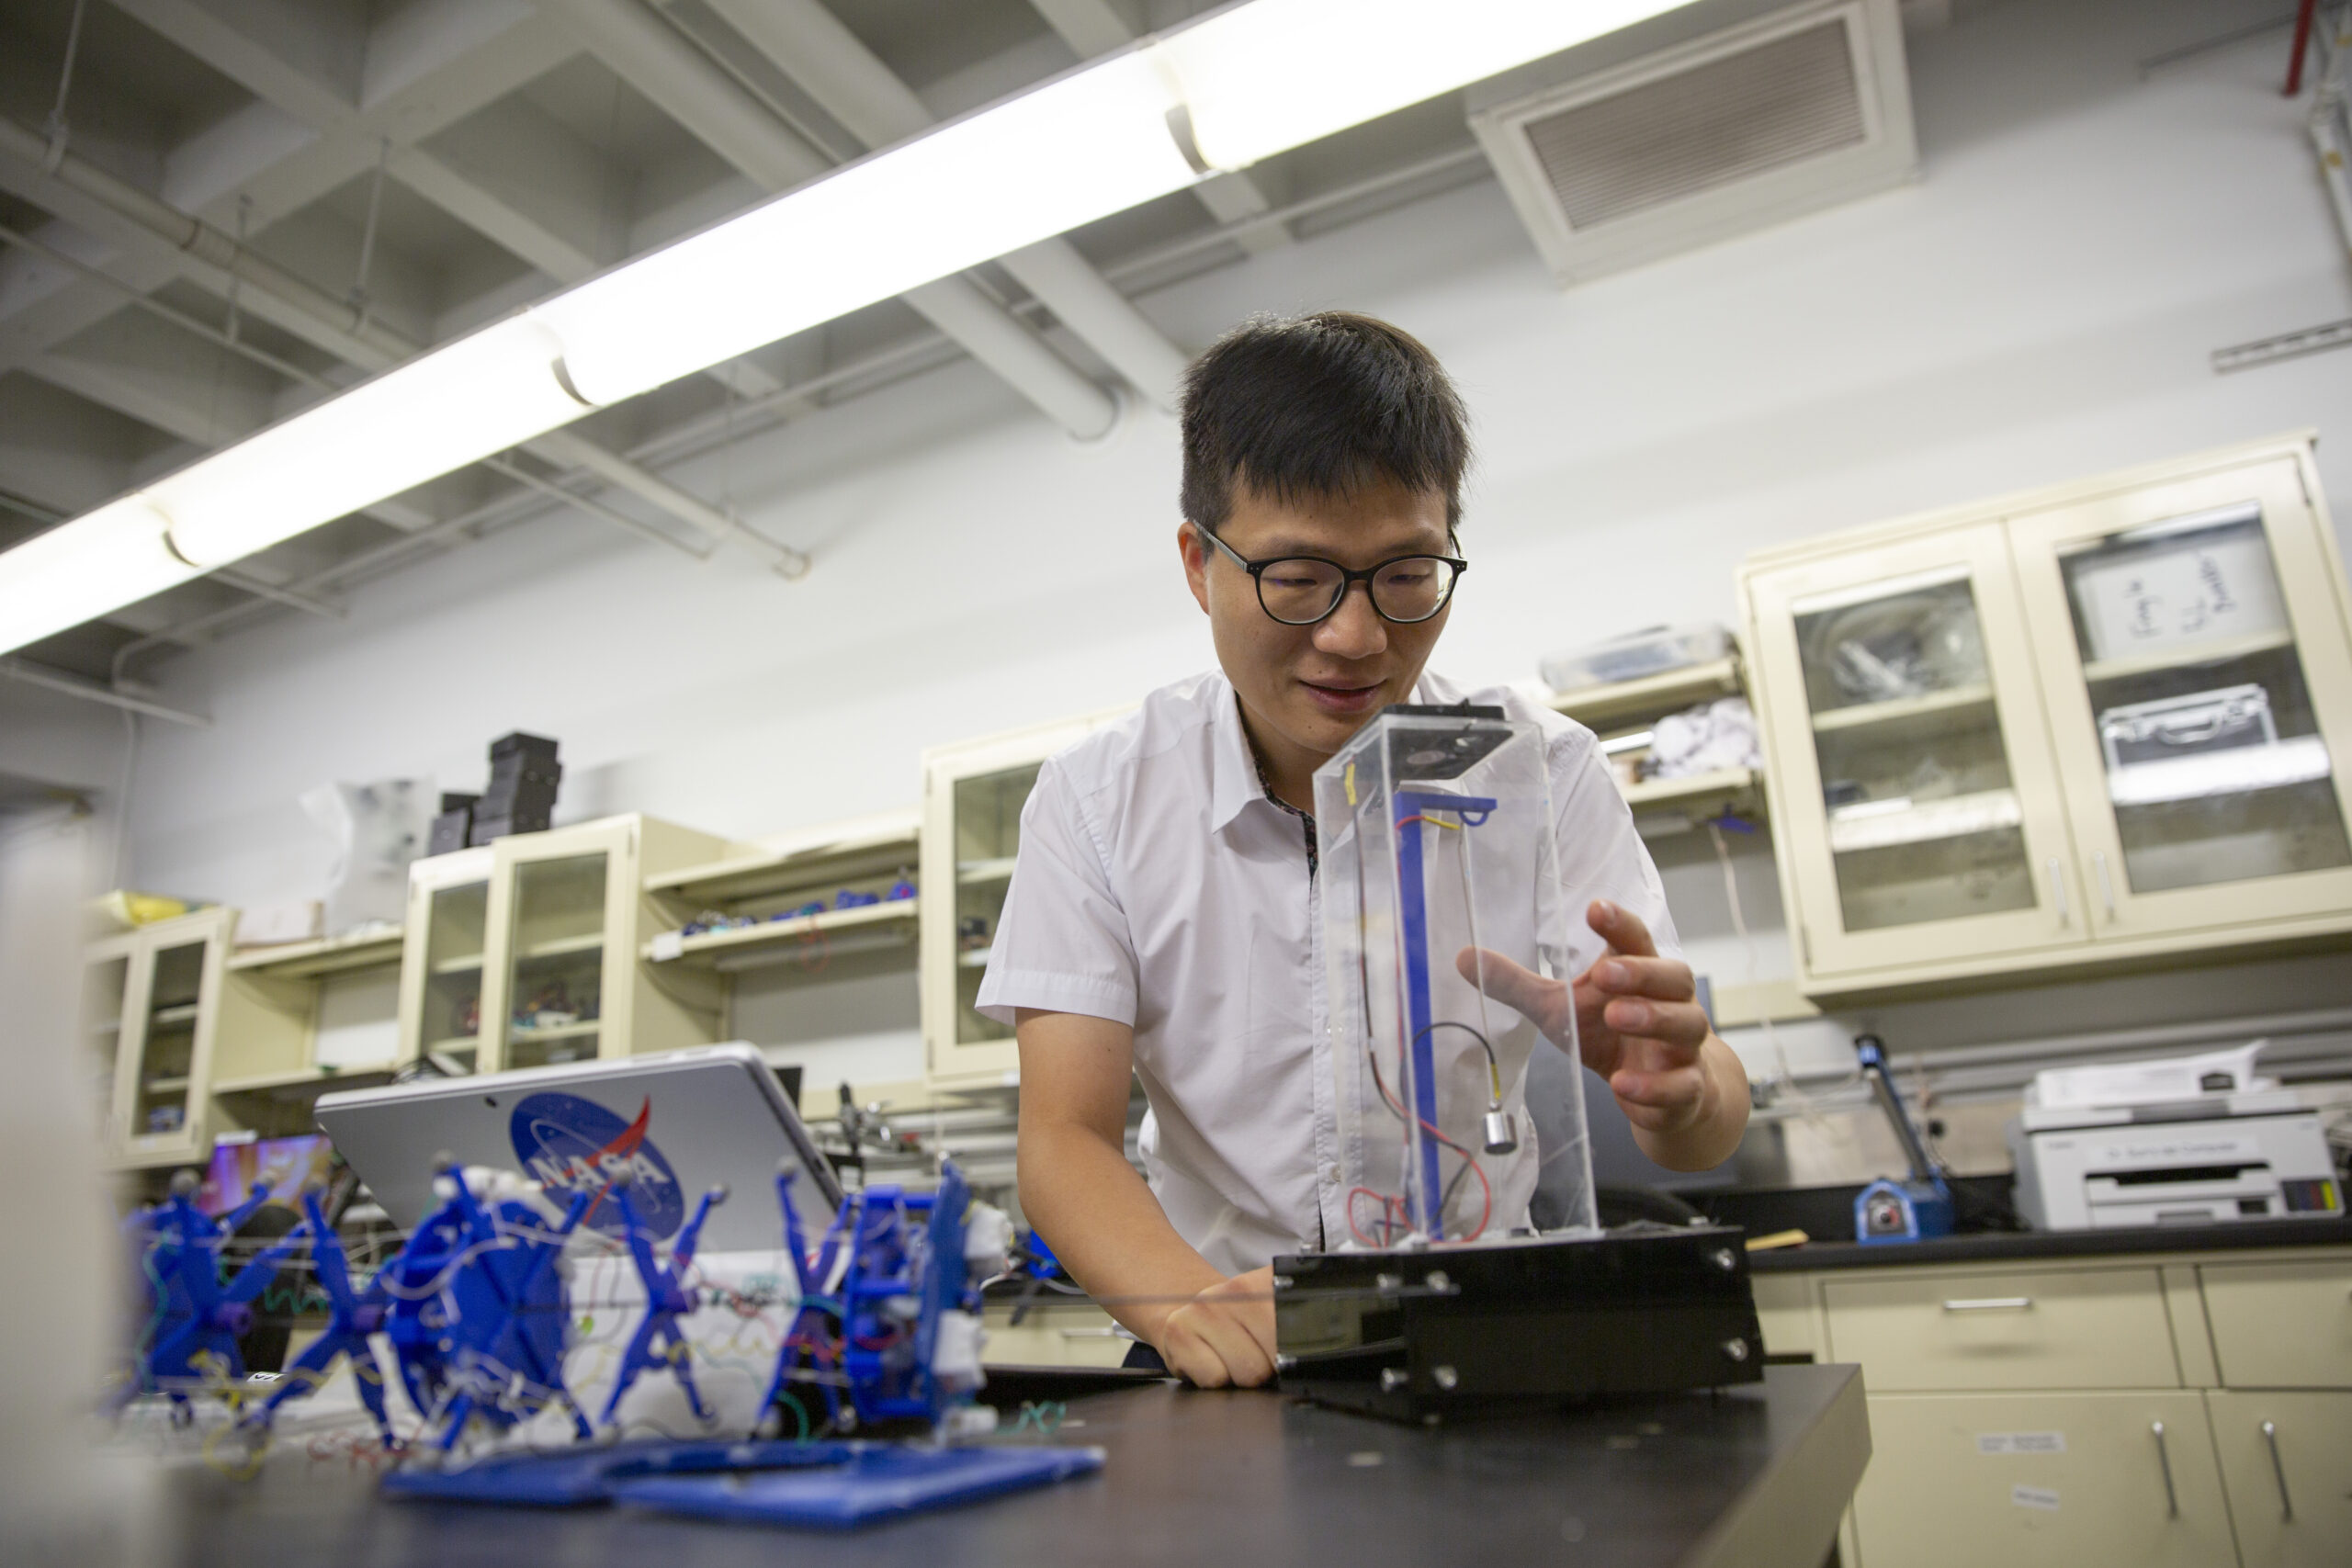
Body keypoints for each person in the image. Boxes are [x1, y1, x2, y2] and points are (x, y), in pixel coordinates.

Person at [976, 311, 1750, 1389]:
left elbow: (1702, 1125)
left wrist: (1679, 1088)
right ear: (1201, 564)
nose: (1356, 638)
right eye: (1297, 576)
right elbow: (1066, 1137)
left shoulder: (1543, 771)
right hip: (1222, 1340)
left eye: (1406, 573)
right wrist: (1194, 1311)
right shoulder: (1102, 800)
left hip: (1485, 1339)